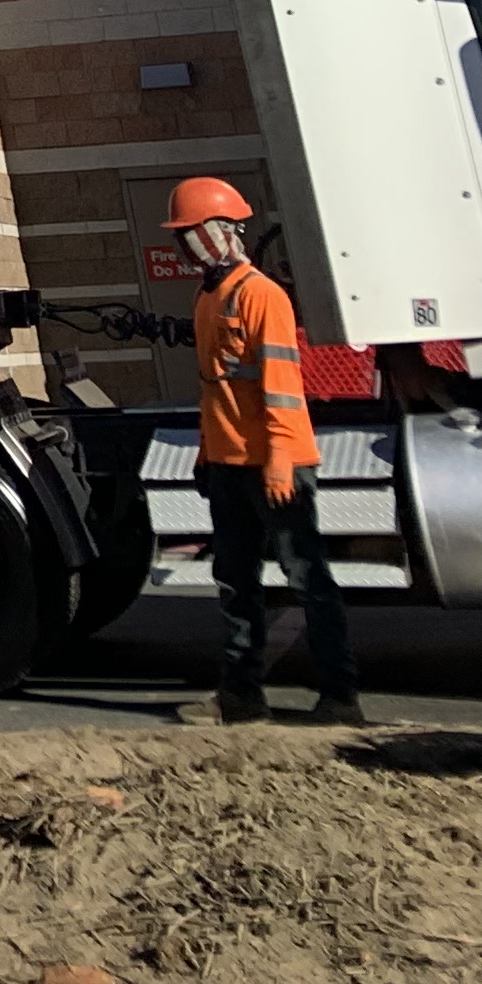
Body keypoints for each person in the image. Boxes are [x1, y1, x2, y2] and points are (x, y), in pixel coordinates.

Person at [168, 175, 364, 726]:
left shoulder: (260, 295)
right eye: (184, 235)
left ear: (227, 231)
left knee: (308, 580)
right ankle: (240, 697)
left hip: (275, 466)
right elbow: (216, 386)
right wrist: (208, 452)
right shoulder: (210, 297)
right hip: (231, 465)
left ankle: (340, 697)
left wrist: (279, 457)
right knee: (236, 583)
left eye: (195, 232)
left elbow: (281, 383)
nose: (188, 245)